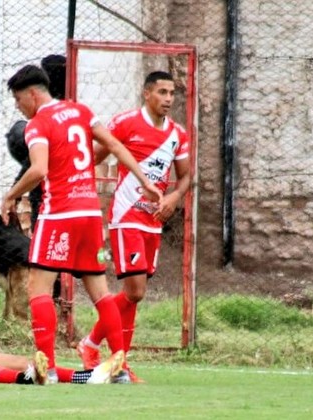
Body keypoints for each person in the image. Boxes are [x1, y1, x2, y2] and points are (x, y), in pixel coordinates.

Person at [0, 65, 164, 384]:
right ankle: (119, 368)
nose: (19, 107)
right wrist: (145, 181)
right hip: (89, 215)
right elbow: (115, 145)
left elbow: (39, 169)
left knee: (38, 287)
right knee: (100, 292)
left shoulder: (37, 125)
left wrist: (11, 195)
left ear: (32, 94)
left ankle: (46, 368)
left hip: (59, 214)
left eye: (18, 100)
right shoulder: (81, 111)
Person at [78, 71, 191, 383]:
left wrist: (173, 198)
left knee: (133, 296)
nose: (168, 99)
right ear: (147, 93)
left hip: (153, 222)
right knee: (136, 292)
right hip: (126, 217)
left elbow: (185, 175)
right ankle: (101, 350)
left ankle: (112, 359)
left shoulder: (178, 134)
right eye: (162, 92)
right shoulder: (125, 123)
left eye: (172, 93)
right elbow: (93, 157)